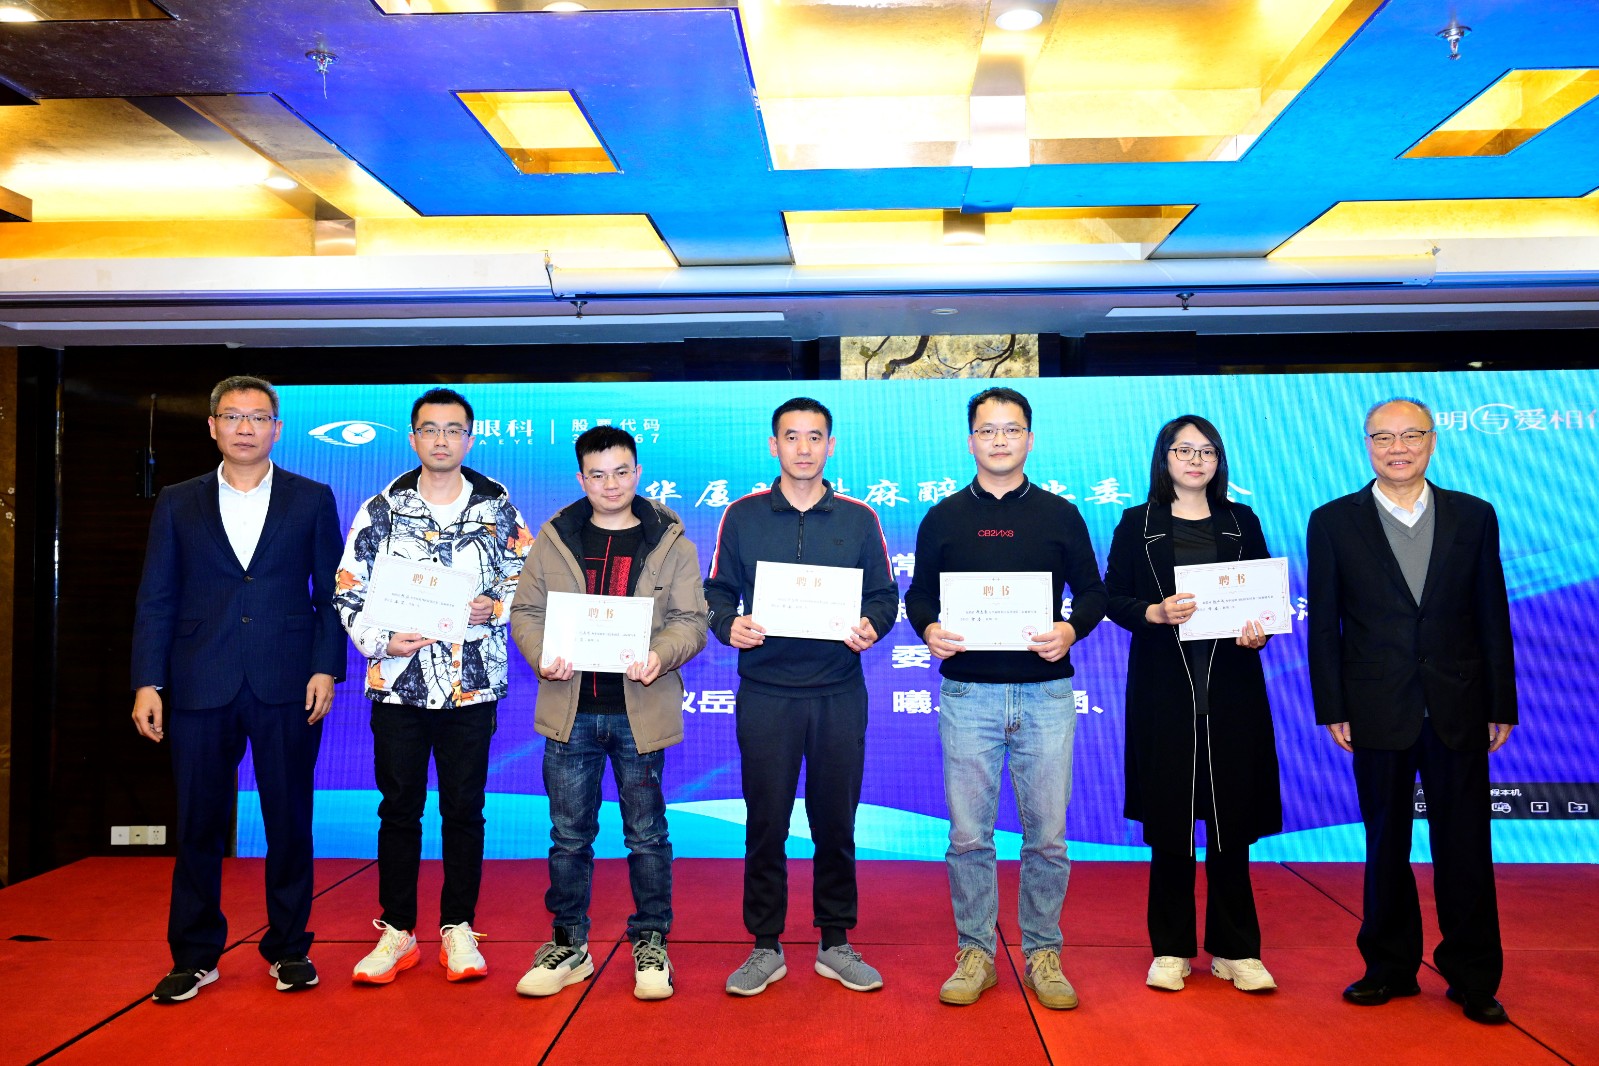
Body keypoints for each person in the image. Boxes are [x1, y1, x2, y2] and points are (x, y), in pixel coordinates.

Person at [131, 375, 345, 1003]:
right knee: (197, 824)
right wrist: (148, 681)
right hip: (200, 681)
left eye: (258, 417)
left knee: (289, 820)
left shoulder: (312, 498)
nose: (245, 428)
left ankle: (289, 948)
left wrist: (325, 668)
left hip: (288, 681)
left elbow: (332, 594)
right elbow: (157, 597)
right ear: (212, 426)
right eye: (233, 416)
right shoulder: (178, 501)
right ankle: (195, 955)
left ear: (277, 429)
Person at [1308, 396, 1517, 1026]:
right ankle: (1388, 967)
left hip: (1459, 704)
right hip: (1376, 706)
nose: (1397, 448)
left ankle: (1473, 975)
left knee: (1466, 846)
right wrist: (1333, 706)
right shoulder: (1333, 521)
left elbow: (1492, 612)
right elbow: (1325, 623)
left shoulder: (1473, 515)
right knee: (1385, 844)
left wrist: (1500, 702)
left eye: (1410, 435)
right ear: (1366, 445)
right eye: (1383, 438)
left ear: (1432, 441)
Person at [906, 386, 1107, 1011]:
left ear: (1030, 438)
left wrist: (1071, 630)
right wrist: (929, 629)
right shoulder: (943, 516)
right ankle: (976, 953)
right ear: (971, 441)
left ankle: (1044, 952)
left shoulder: (1060, 514)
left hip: (1046, 694)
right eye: (988, 430)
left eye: (1011, 429)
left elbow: (1094, 592)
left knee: (1047, 838)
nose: (1000, 440)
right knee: (969, 836)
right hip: (968, 695)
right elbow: (919, 595)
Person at [333, 388, 533, 986]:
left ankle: (458, 928)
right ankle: (397, 930)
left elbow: (528, 580)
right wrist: (380, 640)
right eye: (430, 429)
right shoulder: (381, 509)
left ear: (469, 438)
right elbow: (348, 586)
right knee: (399, 809)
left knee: (464, 808)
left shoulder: (498, 507)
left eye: (453, 429)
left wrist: (495, 606)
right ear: (413, 437)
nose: (441, 439)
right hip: (399, 683)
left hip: (471, 685)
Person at [704, 396, 899, 996]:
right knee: (765, 822)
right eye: (792, 437)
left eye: (815, 437)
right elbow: (717, 591)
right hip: (767, 693)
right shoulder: (742, 515)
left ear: (830, 446)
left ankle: (835, 941)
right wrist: (727, 624)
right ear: (774, 445)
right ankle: (765, 945)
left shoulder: (860, 518)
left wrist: (872, 626)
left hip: (838, 691)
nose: (804, 448)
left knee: (836, 822)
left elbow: (884, 597)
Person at [509, 426, 708, 1001]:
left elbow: (692, 621)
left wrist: (659, 655)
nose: (611, 484)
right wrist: (541, 653)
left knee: (647, 835)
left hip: (639, 712)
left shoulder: (670, 541)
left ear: (637, 472)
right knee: (568, 837)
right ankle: (568, 943)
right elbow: (526, 611)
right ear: (581, 479)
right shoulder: (555, 537)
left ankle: (651, 941)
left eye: (621, 472)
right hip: (570, 711)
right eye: (597, 475)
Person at [1103, 415, 1281, 994]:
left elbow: (1264, 599)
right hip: (1165, 688)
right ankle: (1171, 949)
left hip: (1231, 687)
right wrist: (1153, 612)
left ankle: (1237, 950)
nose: (1195, 460)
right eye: (1184, 450)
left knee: (1232, 823)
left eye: (1206, 451)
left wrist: (1260, 630)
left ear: (1218, 461)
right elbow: (1113, 597)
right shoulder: (1138, 523)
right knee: (1171, 823)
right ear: (1165, 458)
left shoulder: (1240, 520)